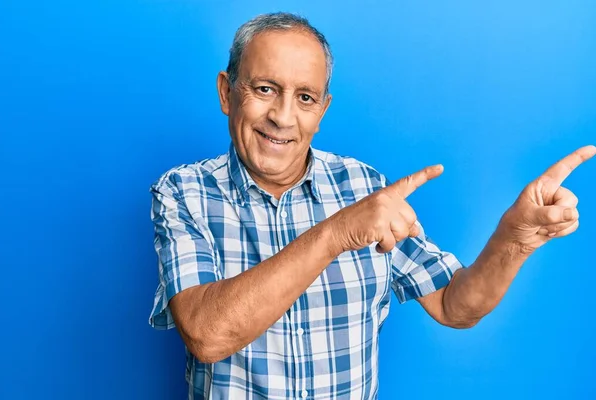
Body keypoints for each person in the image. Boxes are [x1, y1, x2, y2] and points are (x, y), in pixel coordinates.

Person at [148, 12, 594, 400]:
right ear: (227, 93)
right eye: (265, 89)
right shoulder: (184, 192)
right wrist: (336, 233)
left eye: (305, 97)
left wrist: (512, 240)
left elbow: (455, 306)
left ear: (322, 111)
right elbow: (207, 335)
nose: (283, 117)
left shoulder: (364, 187)